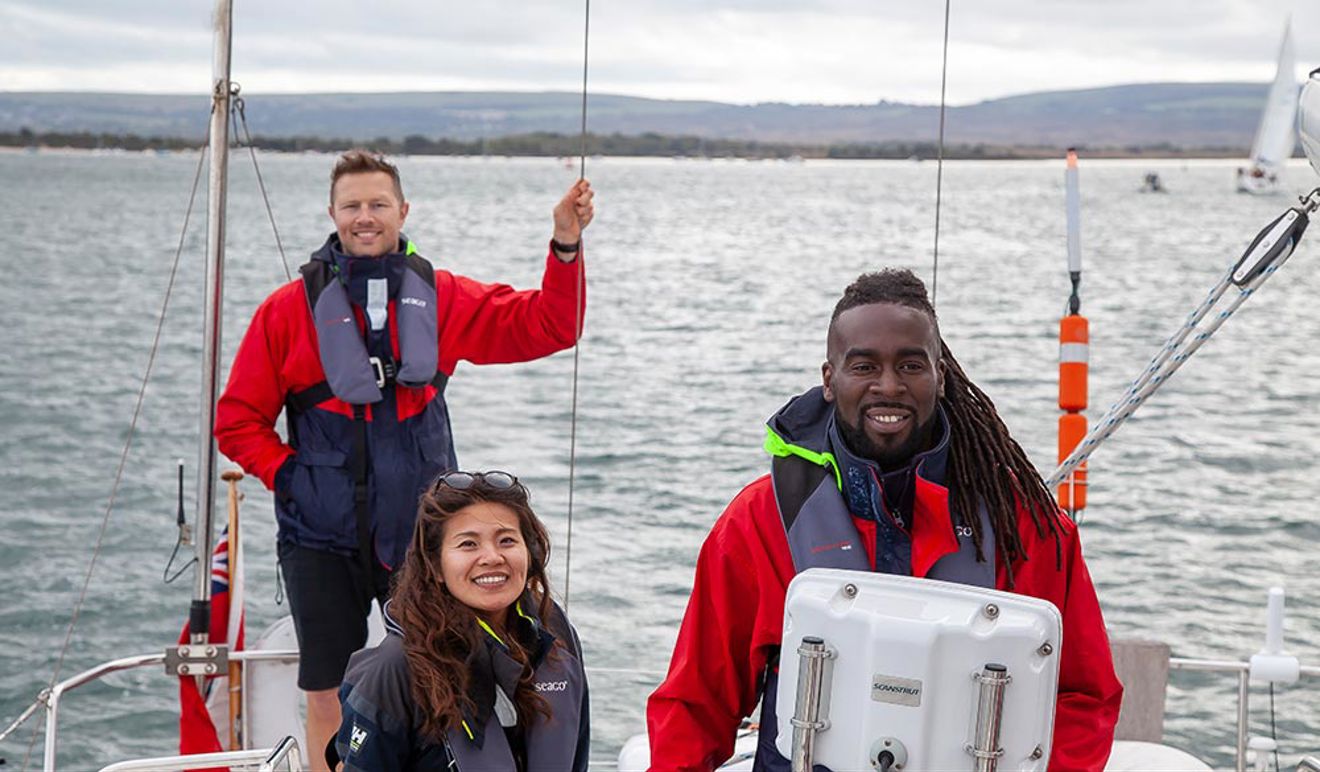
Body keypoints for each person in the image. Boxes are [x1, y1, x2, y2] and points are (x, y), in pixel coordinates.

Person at [646, 269, 1123, 771]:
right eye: (864, 366)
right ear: (829, 380)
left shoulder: (1022, 524)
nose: (888, 386)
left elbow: (1082, 697)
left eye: (911, 365)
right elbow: (695, 704)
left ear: (940, 375)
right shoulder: (759, 522)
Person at [214, 149, 593, 771]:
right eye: (353, 205)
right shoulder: (286, 311)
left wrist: (565, 245)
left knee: (444, 669)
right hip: (319, 535)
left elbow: (551, 325)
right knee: (326, 685)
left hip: (424, 535)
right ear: (332, 213)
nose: (366, 216)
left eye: (378, 204)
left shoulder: (441, 297)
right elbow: (236, 421)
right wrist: (289, 477)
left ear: (403, 210)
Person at [332, 470, 589, 771]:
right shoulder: (393, 669)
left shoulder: (554, 630)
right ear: (436, 567)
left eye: (506, 540)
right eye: (469, 544)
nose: (492, 557)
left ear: (529, 553)